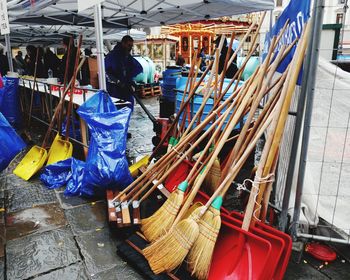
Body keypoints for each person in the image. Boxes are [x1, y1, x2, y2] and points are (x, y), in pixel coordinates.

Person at [105, 35, 142, 110]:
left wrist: (131, 81)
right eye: (128, 45)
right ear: (123, 43)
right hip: (114, 90)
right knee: (116, 111)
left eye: (131, 46)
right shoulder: (112, 56)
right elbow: (106, 72)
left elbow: (136, 68)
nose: (130, 48)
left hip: (126, 90)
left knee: (127, 109)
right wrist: (118, 81)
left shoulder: (128, 57)